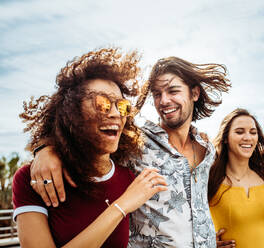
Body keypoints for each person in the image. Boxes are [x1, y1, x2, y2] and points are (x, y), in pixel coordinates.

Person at [28, 56, 231, 247]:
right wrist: (46, 148)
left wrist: (204, 238)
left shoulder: (208, 149)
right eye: (157, 94)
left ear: (194, 93)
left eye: (173, 91)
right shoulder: (134, 142)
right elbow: (85, 134)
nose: (164, 101)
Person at [13, 48, 168, 247]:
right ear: (72, 111)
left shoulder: (129, 177)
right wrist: (121, 206)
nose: (115, 114)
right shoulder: (33, 179)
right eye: (101, 103)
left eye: (122, 107)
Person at [208, 108, 264, 248]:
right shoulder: (210, 179)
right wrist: (206, 243)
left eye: (253, 132)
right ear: (225, 138)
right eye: (239, 132)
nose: (248, 137)